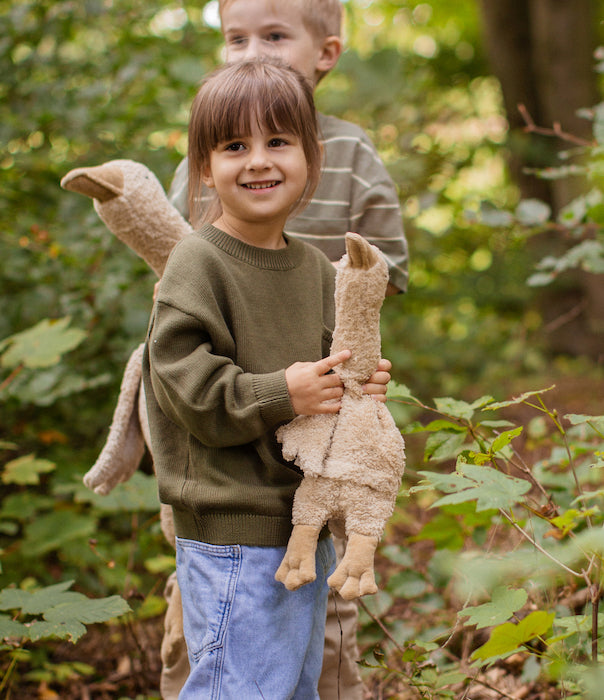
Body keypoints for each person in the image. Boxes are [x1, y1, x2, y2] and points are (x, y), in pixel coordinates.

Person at [160, 1, 409, 698]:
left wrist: (356, 386)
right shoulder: (198, 263)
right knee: (241, 687)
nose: (258, 162)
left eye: (277, 144)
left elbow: (324, 377)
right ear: (203, 169)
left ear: (312, 159)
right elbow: (185, 386)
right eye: (234, 148)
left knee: (291, 687)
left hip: (301, 519)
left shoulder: (310, 268)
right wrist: (283, 393)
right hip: (231, 525)